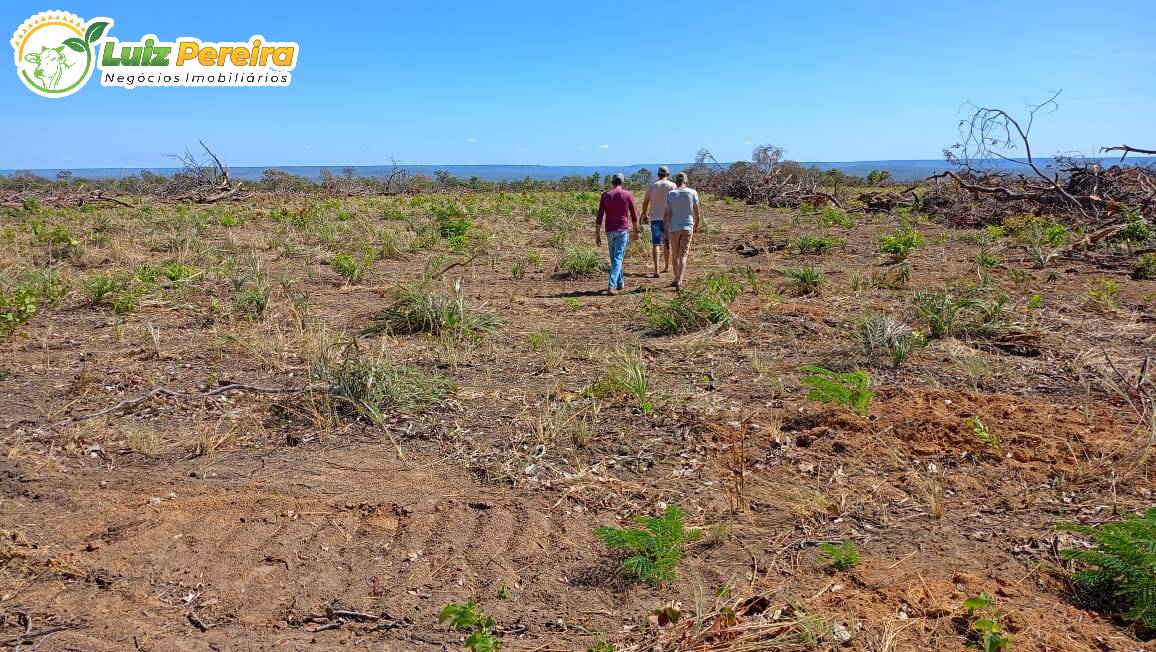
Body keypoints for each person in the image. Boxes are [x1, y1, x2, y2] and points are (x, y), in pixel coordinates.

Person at [595, 172, 638, 295]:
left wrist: (597, 234)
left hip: (609, 231)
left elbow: (599, 216)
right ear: (623, 182)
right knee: (618, 258)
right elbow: (634, 215)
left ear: (612, 182)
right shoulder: (627, 195)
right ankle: (612, 285)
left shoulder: (605, 195)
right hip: (622, 230)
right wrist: (635, 230)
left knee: (615, 259)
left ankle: (620, 283)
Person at [662, 172, 701, 290]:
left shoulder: (671, 194)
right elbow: (697, 213)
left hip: (674, 228)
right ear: (686, 181)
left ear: (676, 182)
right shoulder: (693, 192)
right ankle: (679, 280)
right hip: (688, 226)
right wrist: (696, 226)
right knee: (683, 256)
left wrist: (665, 230)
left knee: (675, 256)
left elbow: (666, 215)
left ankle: (676, 278)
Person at [640, 165, 677, 278]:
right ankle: (666, 267)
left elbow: (646, 201)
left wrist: (644, 214)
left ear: (658, 174)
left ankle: (656, 270)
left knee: (656, 244)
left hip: (655, 218)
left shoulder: (653, 185)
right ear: (668, 174)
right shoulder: (673, 186)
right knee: (667, 243)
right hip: (668, 219)